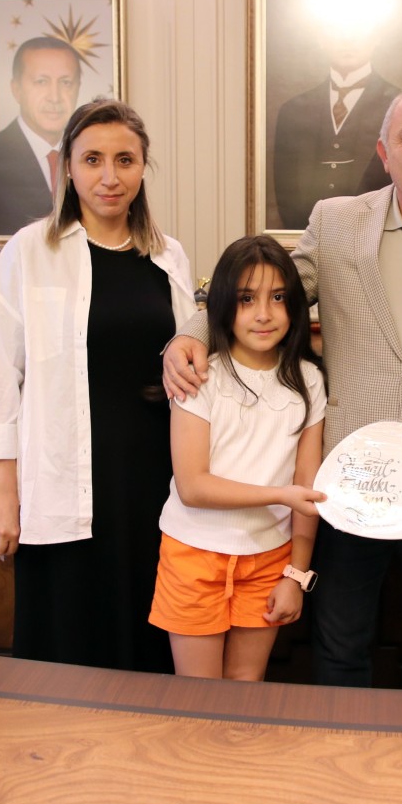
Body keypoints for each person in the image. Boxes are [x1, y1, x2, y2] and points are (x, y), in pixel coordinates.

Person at [164, 78, 402, 691]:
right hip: (347, 485)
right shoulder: (336, 223)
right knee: (338, 649)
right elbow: (270, 291)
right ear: (384, 151)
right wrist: (190, 334)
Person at [0, 98, 196, 672]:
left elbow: (188, 355)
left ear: (142, 168)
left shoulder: (168, 256)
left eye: (125, 160)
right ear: (67, 168)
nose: (109, 176)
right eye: (92, 159)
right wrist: (1, 492)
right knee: (68, 632)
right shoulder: (30, 251)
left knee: (147, 623)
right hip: (63, 474)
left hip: (151, 474)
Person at [149, 235, 327, 681]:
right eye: (247, 299)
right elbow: (193, 487)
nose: (264, 314)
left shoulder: (309, 380)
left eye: (278, 298)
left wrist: (296, 574)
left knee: (247, 689)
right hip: (194, 554)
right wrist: (280, 495)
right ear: (224, 304)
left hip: (270, 558)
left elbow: (308, 491)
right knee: (200, 695)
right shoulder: (200, 376)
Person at [272, 24, 401, 229]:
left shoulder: (401, 107)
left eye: (359, 29)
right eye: (336, 29)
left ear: (377, 37)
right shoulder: (292, 111)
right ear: (321, 40)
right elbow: (286, 194)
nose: (347, 39)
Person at [0, 37, 82, 236]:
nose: (55, 97)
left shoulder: (93, 157)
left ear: (78, 88)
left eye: (66, 83)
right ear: (16, 90)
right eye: (41, 82)